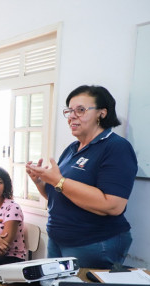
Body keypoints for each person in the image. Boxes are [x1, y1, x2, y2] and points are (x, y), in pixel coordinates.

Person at [26, 85, 137, 269]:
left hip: (93, 243)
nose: (72, 116)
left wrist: (58, 180)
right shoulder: (72, 148)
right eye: (69, 111)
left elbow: (113, 205)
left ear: (102, 113)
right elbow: (60, 193)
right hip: (57, 239)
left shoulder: (116, 147)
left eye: (80, 110)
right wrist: (40, 182)